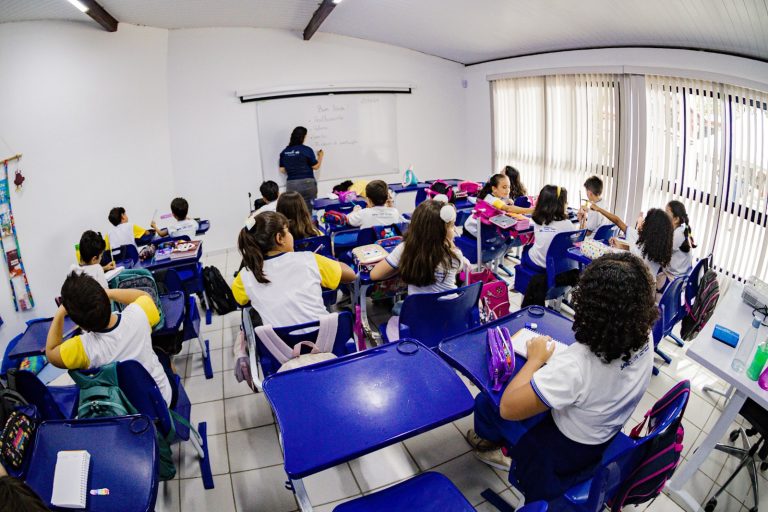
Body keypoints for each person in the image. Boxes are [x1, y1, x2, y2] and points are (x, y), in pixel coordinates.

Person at [466, 252, 656, 502]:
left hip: (561, 452)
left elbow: (508, 408)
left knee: (486, 401)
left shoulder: (580, 364)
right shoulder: (644, 333)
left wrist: (535, 358)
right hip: (603, 431)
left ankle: (496, 450)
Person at [45, 273, 176, 407]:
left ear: (82, 325)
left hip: (124, 413)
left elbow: (50, 352)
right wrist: (107, 293)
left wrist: (60, 313)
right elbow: (144, 296)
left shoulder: (83, 348)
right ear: (105, 299)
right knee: (164, 357)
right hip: (161, 401)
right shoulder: (139, 314)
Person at [231, 211, 356, 327]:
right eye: (288, 231)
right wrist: (333, 261)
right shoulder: (309, 259)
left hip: (278, 347)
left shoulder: (243, 277)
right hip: (326, 339)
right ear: (279, 238)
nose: (291, 235)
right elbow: (351, 275)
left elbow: (241, 302)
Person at [371, 199, 469, 295]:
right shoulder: (455, 255)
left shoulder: (405, 249)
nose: (455, 229)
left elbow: (375, 275)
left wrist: (401, 266)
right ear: (442, 231)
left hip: (417, 310)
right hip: (452, 309)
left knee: (399, 306)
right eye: (452, 226)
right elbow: (457, 270)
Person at [521, 185, 579, 307]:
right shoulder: (568, 224)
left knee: (526, 249)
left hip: (539, 264)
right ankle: (556, 305)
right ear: (561, 204)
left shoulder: (538, 220)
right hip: (559, 267)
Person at [589, 204, 674, 286]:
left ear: (650, 227)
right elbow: (634, 250)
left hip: (634, 289)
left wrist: (599, 209)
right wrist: (622, 246)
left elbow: (618, 222)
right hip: (648, 289)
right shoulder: (657, 250)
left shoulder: (642, 250)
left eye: (646, 220)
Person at [463, 174, 534, 238]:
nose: (507, 190)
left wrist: (507, 201)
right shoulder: (491, 199)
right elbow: (508, 208)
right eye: (504, 187)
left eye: (509, 187)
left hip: (483, 228)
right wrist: (531, 210)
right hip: (472, 229)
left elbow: (503, 204)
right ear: (494, 189)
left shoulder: (499, 197)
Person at [279, 126, 323, 210]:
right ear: (303, 137)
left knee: (294, 210)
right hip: (307, 183)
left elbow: (282, 169)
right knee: (309, 210)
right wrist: (320, 156)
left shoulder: (284, 151)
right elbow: (316, 166)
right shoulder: (307, 150)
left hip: (292, 184)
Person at [666, 200, 695, 277]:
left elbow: (659, 255)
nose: (664, 215)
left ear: (676, 219)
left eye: (667, 212)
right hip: (681, 276)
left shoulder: (677, 235)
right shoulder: (682, 230)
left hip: (673, 278)